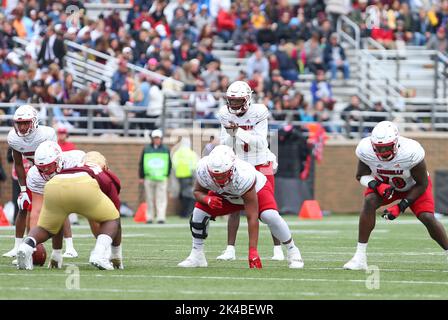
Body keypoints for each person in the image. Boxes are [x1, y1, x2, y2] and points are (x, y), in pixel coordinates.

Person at [177, 145, 304, 269]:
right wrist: (208, 199)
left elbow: (252, 216)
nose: (219, 179)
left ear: (232, 168)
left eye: (222, 174)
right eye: (215, 175)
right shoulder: (203, 169)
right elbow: (197, 192)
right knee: (199, 212)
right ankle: (197, 255)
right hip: (226, 195)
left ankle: (293, 251)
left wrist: (252, 251)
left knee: (269, 215)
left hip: (257, 190)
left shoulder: (244, 175)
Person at [343, 121, 448, 270]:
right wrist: (377, 185)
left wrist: (401, 206)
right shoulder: (365, 149)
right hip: (386, 186)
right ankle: (359, 257)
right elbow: (361, 176)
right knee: (369, 201)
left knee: (427, 217)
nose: (383, 152)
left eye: (386, 147)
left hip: (414, 187)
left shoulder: (411, 151)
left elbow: (422, 183)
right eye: (379, 148)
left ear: (396, 143)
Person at [17, 150, 123, 270]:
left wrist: (56, 255)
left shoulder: (74, 167)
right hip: (83, 185)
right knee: (113, 219)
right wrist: (115, 255)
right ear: (105, 166)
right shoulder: (104, 173)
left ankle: (27, 247)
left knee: (46, 228)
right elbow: (115, 212)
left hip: (54, 185)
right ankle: (99, 254)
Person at [215, 80, 284, 261]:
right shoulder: (224, 113)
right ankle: (230, 249)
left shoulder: (259, 112)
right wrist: (231, 134)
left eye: (238, 101)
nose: (234, 104)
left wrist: (238, 131)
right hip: (238, 162)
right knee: (234, 207)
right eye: (232, 100)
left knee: (268, 209)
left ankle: (278, 249)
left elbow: (261, 142)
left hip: (260, 162)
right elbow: (224, 143)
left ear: (247, 99)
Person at [4, 105, 77, 261]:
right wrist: (23, 189)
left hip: (52, 170)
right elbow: (18, 164)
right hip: (34, 173)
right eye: (19, 123)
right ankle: (19, 247)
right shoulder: (13, 137)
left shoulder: (46, 134)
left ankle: (70, 246)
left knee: (59, 206)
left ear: (34, 122)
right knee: (23, 206)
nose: (22, 127)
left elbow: (53, 158)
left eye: (26, 123)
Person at [25, 141, 86, 268]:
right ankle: (55, 253)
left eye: (48, 166)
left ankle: (105, 251)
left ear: (58, 161)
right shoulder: (35, 174)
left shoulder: (76, 161)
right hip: (58, 190)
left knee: (97, 214)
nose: (45, 171)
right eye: (42, 167)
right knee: (55, 209)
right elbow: (36, 210)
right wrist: (33, 242)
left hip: (82, 188)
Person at [139, 129, 172, 224]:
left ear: (161, 138)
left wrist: (167, 175)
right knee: (149, 198)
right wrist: (141, 177)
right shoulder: (146, 149)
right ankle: (149, 217)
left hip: (162, 177)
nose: (157, 140)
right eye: (155, 138)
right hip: (149, 177)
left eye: (158, 138)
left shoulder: (166, 149)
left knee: (161, 198)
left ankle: (161, 217)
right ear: (152, 139)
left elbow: (169, 163)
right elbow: (141, 163)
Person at [172, 137, 198, 218]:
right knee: (189, 194)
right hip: (189, 176)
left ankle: (184, 212)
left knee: (183, 194)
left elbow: (174, 165)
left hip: (179, 176)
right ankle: (188, 212)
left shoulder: (177, 153)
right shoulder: (192, 153)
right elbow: (195, 165)